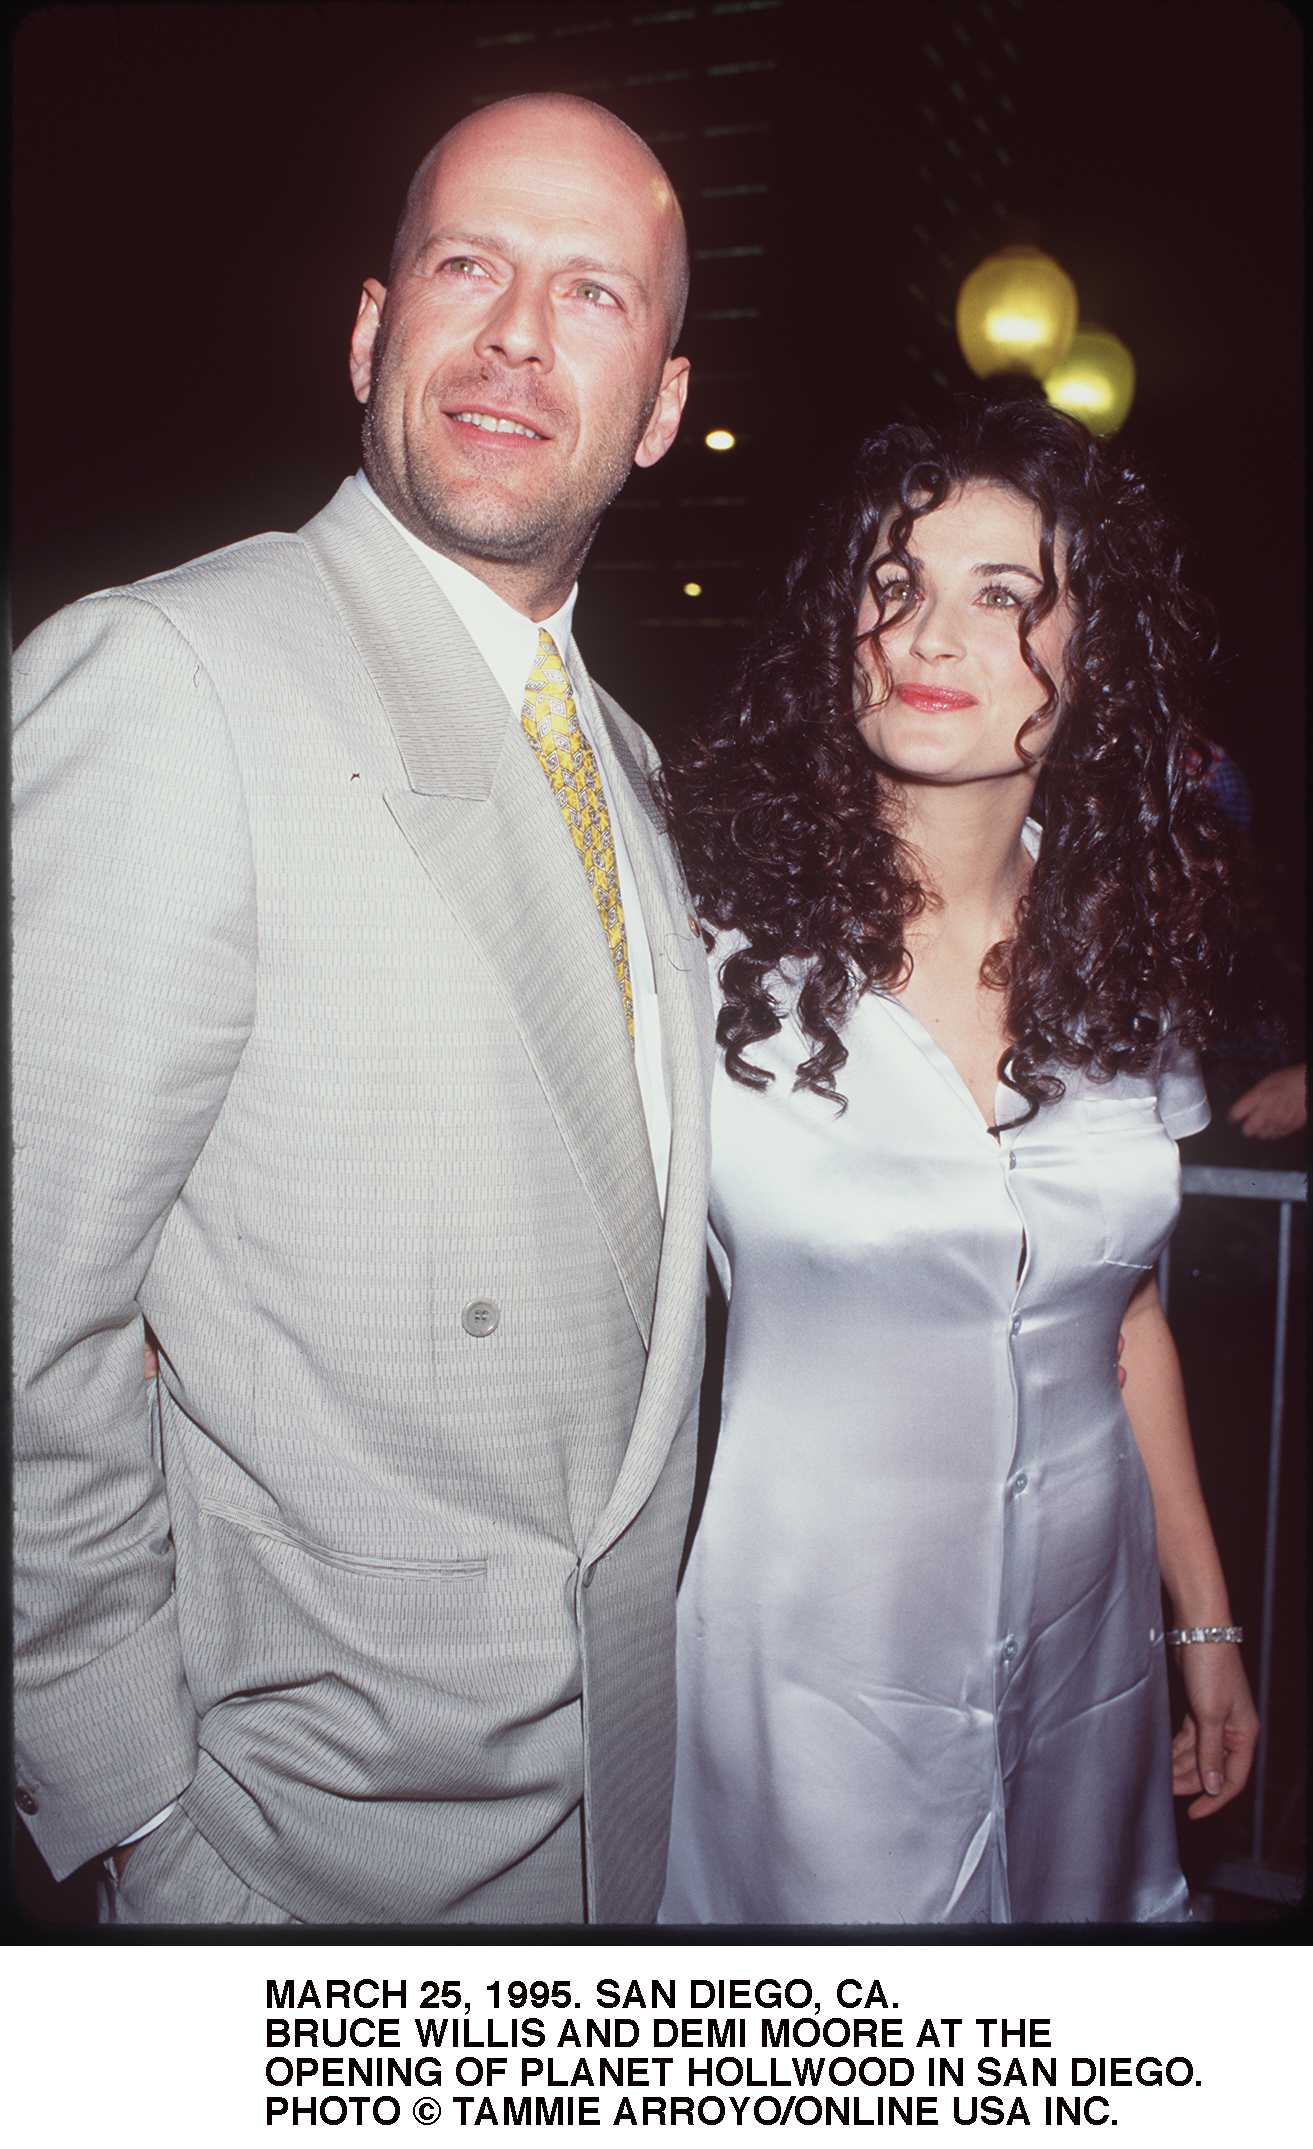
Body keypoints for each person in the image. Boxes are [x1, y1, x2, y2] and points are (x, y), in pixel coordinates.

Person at [13, 93, 713, 1927]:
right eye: (466, 267)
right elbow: (28, 1319)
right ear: (368, 330)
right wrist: (139, 1821)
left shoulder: (627, 767)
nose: (511, 339)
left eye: (591, 296)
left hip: (594, 1831)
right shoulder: (167, 679)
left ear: (655, 404)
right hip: (288, 1857)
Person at [659, 396, 1259, 1924]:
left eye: (1004, 598)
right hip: (806, 1671)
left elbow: (1122, 1317)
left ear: (1092, 667)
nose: (930, 633)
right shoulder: (706, 952)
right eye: (894, 584)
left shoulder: (1125, 964)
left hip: (1082, 1642)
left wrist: (1203, 1623)